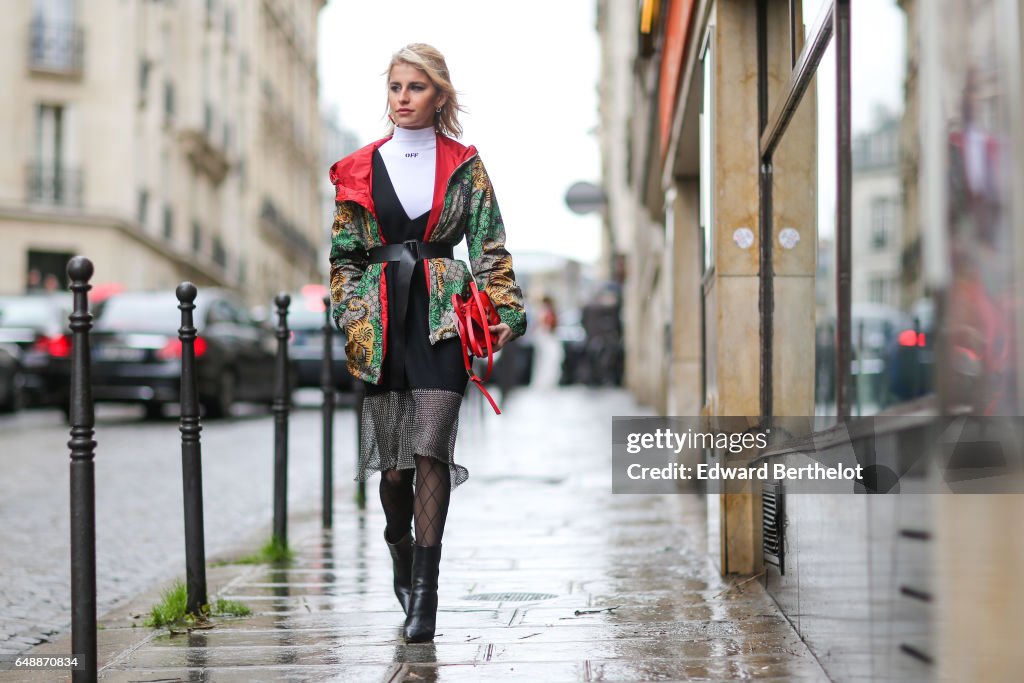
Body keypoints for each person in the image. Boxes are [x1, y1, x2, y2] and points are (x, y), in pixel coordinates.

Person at [328, 44, 527, 643]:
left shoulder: (466, 165)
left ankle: (426, 597)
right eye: (395, 87)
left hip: (443, 319)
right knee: (394, 472)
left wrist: (503, 311)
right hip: (382, 323)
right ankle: (399, 548)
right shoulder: (359, 167)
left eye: (416, 87)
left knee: (431, 450)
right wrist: (351, 310)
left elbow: (490, 247)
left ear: (439, 94)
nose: (403, 98)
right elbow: (343, 259)